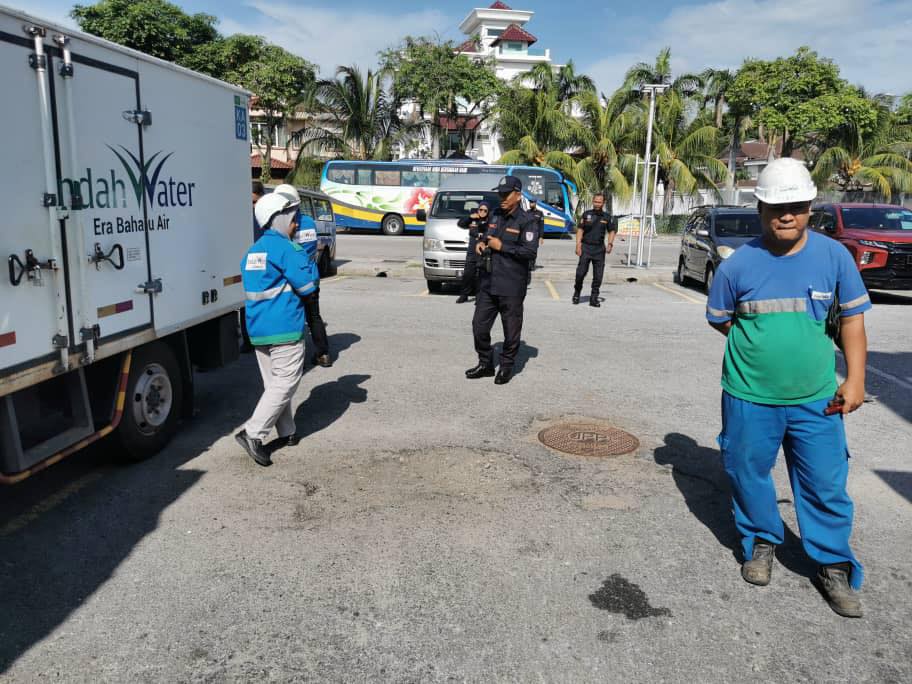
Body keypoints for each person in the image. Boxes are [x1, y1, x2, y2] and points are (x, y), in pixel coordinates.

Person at [706, 158, 871, 618]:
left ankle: (832, 564)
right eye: (777, 208)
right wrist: (762, 351)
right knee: (746, 471)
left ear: (810, 208)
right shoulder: (737, 266)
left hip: (817, 398)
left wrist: (855, 379)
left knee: (824, 482)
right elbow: (721, 321)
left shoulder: (834, 256)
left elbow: (853, 320)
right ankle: (761, 540)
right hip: (748, 396)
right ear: (759, 208)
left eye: (796, 207)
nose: (786, 216)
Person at [235, 191, 316, 467]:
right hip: (285, 329)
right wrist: (310, 267)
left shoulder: (252, 251)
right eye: (293, 219)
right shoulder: (287, 250)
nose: (296, 225)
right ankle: (252, 433)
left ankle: (288, 432)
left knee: (275, 384)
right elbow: (308, 287)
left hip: (258, 330)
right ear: (280, 219)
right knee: (286, 382)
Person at [466, 176, 540, 385]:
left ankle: (506, 366)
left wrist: (503, 247)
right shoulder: (496, 215)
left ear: (518, 195)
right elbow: (486, 236)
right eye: (500, 194)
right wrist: (481, 244)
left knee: (511, 331)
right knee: (479, 326)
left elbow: (529, 252)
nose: (502, 198)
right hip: (488, 282)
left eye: (506, 194)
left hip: (511, 285)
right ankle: (486, 364)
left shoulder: (527, 221)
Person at [274, 184, 332, 367]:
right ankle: (323, 354)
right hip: (310, 278)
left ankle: (294, 358)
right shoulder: (308, 222)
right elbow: (308, 250)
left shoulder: (279, 226)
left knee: (293, 319)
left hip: (290, 280)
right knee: (314, 316)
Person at [572, 192, 615, 307]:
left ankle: (594, 298)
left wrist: (610, 243)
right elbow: (580, 230)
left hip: (599, 249)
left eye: (599, 202)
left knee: (598, 276)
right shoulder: (586, 215)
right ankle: (577, 292)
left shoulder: (607, 217)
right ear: (593, 201)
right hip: (586, 247)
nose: (597, 204)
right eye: (595, 201)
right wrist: (578, 245)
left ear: (603, 203)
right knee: (580, 273)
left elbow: (612, 231)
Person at [241, 180, 266, 353]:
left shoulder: (267, 217)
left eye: (254, 201)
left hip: (264, 264)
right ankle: (248, 339)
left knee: (264, 301)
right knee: (247, 302)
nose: (252, 206)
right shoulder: (242, 216)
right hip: (249, 264)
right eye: (248, 202)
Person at [455, 200, 491, 304]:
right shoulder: (473, 219)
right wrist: (470, 217)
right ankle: (464, 295)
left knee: (481, 276)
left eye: (485, 210)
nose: (483, 212)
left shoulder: (490, 221)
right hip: (472, 251)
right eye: (481, 209)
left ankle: (479, 297)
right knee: (468, 274)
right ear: (478, 209)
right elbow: (460, 224)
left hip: (483, 251)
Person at [527, 199, 545, 285]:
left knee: (534, 250)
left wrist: (541, 237)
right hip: (527, 235)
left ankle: (532, 264)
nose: (531, 204)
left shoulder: (540, 213)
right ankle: (528, 264)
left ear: (535, 203)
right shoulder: (527, 212)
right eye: (530, 202)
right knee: (527, 249)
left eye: (532, 202)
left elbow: (541, 226)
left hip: (536, 235)